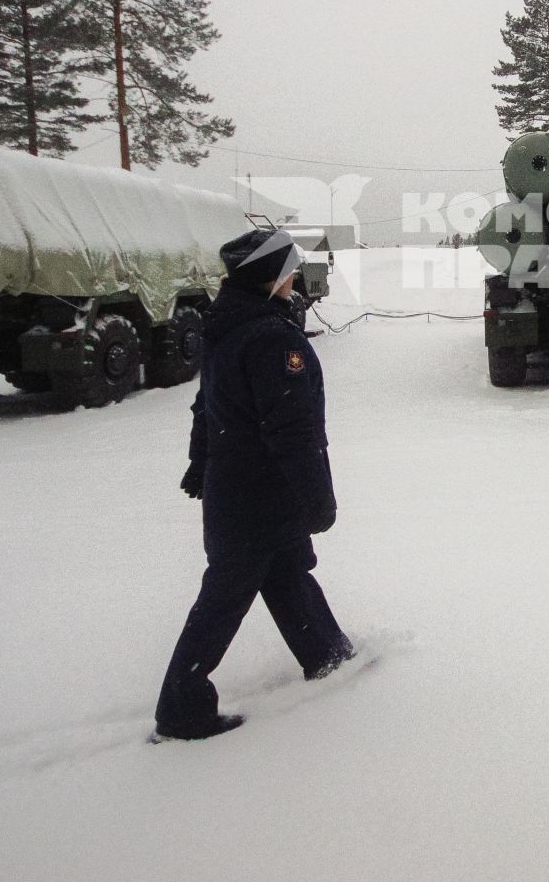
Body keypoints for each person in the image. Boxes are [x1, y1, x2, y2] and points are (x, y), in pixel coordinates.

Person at [153, 228, 353, 741]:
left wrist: (202, 462)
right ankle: (181, 708)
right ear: (272, 276)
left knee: (287, 571)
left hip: (238, 485)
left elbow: (209, 405)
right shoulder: (269, 336)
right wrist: (318, 499)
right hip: (261, 490)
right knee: (226, 595)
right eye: (289, 269)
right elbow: (292, 430)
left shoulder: (230, 324)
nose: (294, 279)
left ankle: (329, 657)